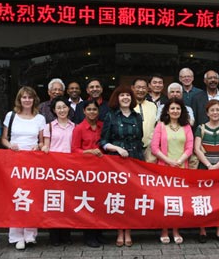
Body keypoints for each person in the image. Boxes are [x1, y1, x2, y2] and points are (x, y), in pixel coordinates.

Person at [0, 86, 46, 250]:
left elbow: (42, 141)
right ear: (19, 99)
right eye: (24, 97)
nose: (27, 100)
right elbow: (3, 139)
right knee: (17, 196)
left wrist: (38, 147)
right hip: (14, 160)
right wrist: (10, 145)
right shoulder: (11, 116)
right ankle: (16, 235)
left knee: (31, 196)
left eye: (30, 97)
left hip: (33, 161)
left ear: (34, 99)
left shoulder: (40, 118)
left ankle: (30, 234)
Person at [101, 86, 144, 247]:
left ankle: (129, 230)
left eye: (128, 95)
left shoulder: (137, 116)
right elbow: (103, 142)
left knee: (132, 198)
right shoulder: (110, 116)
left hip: (135, 160)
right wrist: (118, 149)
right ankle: (120, 231)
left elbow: (139, 139)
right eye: (122, 95)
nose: (125, 98)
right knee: (119, 198)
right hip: (117, 162)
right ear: (116, 98)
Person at [151, 98, 194, 245]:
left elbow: (190, 147)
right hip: (164, 168)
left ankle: (176, 230)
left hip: (182, 168)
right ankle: (164, 230)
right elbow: (154, 148)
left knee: (178, 202)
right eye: (172, 108)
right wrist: (169, 161)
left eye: (178, 108)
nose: (175, 111)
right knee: (165, 202)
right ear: (167, 111)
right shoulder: (161, 125)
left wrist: (180, 161)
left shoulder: (187, 126)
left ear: (182, 111)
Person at [194, 99, 219, 244]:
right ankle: (202, 231)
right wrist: (209, 165)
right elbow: (197, 149)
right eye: (212, 110)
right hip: (204, 168)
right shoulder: (201, 127)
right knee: (204, 199)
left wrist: (218, 165)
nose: (215, 113)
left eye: (217, 110)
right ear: (207, 113)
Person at [41, 96, 75, 246]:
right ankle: (54, 236)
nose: (62, 110)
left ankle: (66, 235)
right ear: (54, 110)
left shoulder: (75, 127)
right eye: (58, 108)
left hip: (70, 170)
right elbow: (46, 145)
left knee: (67, 202)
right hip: (54, 169)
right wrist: (44, 148)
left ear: (69, 108)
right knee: (54, 201)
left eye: (64, 107)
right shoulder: (49, 127)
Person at [71, 99, 104, 248]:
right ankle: (89, 235)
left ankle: (98, 233)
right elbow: (74, 149)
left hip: (102, 170)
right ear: (84, 111)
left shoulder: (102, 126)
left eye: (94, 109)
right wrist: (88, 151)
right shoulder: (79, 128)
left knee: (99, 202)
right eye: (89, 109)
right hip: (85, 170)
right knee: (88, 202)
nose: (92, 112)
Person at [131, 78, 158, 163]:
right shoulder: (127, 104)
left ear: (147, 89)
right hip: (131, 147)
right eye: (138, 87)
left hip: (150, 148)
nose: (141, 90)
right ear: (132, 88)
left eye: (143, 88)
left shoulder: (153, 106)